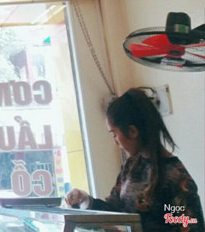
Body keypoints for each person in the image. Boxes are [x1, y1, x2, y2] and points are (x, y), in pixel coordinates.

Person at [65, 88, 204, 232]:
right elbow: (114, 209)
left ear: (132, 131)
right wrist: (85, 200)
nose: (115, 142)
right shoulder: (131, 166)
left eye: (114, 134)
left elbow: (188, 227)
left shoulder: (176, 179)